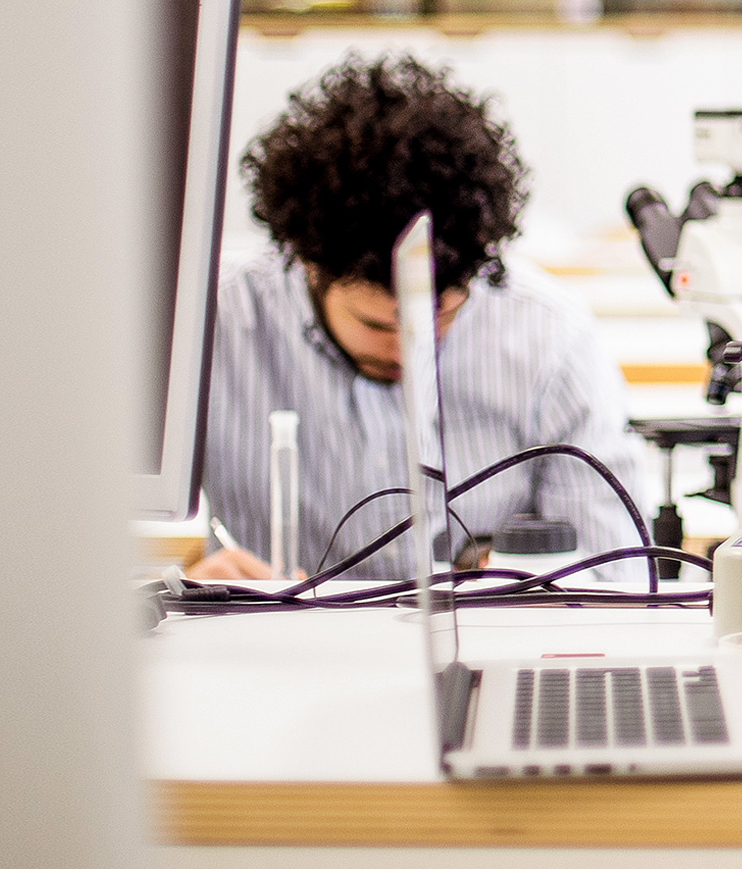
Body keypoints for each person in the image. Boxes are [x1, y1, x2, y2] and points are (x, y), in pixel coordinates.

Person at [186, 55, 651, 589]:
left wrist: (529, 584)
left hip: (485, 657)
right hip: (264, 656)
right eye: (379, 325)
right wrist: (184, 586)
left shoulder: (550, 341)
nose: (411, 353)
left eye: (441, 317)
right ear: (310, 266)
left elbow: (617, 575)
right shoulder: (214, 332)